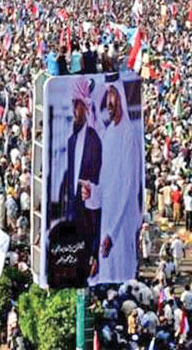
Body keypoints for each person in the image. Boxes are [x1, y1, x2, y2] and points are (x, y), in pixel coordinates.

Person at [87, 84, 142, 285]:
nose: (110, 107)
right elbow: (106, 182)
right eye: (107, 104)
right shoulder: (109, 133)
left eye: (113, 103)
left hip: (123, 220)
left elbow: (128, 187)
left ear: (121, 103)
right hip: (108, 218)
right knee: (107, 273)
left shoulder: (128, 134)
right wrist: (92, 192)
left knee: (123, 274)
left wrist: (113, 231)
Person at [59, 77, 102, 281]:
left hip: (89, 207)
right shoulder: (72, 139)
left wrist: (89, 186)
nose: (74, 111)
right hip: (74, 205)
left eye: (76, 106)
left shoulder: (93, 139)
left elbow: (99, 174)